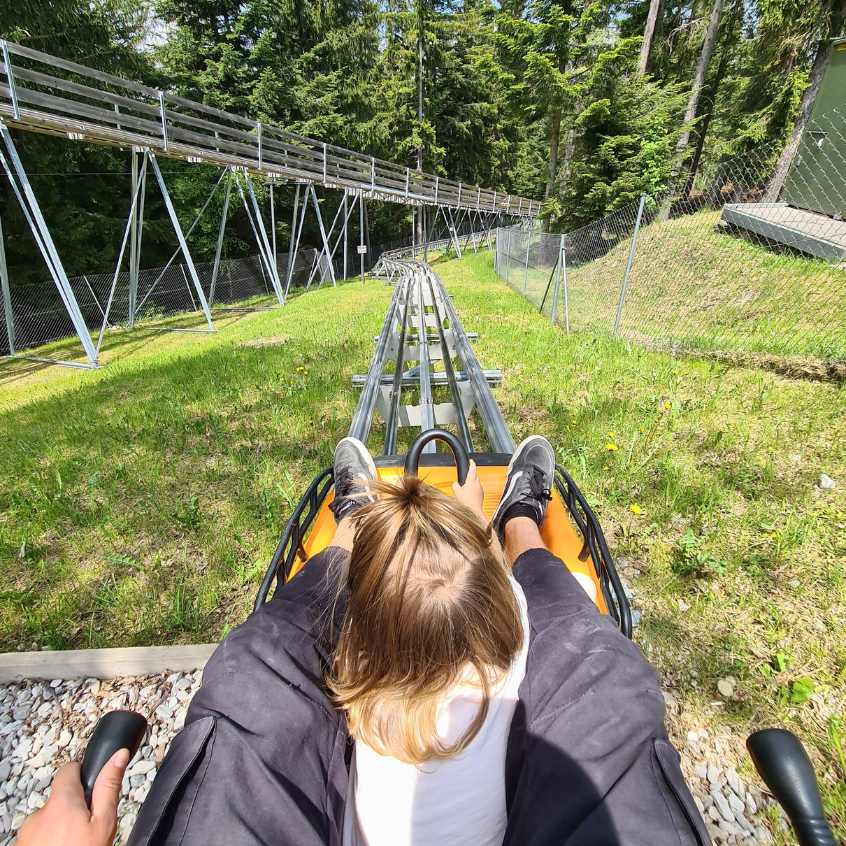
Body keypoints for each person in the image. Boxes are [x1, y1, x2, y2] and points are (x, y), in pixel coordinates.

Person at [14, 435, 710, 846]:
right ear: (504, 609)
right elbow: (530, 621)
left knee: (266, 659)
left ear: (361, 635)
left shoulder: (355, 677)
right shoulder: (524, 642)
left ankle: (352, 531)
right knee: (589, 652)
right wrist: (472, 534)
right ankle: (518, 526)